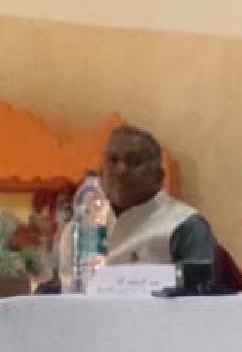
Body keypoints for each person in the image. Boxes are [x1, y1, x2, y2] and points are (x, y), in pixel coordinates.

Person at [55, 124, 219, 290]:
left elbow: (199, 298)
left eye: (134, 162)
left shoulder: (185, 225)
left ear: (159, 176)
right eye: (112, 160)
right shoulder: (79, 230)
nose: (121, 170)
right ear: (101, 173)